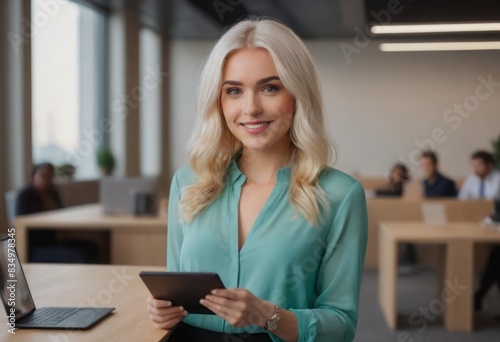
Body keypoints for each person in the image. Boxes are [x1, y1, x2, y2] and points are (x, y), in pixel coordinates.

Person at [147, 17, 368, 342]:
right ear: (219, 103)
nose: (250, 108)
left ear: (297, 94)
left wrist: (269, 316)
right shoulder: (188, 183)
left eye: (270, 88)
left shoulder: (339, 195)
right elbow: (174, 293)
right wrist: (162, 311)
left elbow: (340, 325)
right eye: (234, 91)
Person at [15, 163, 98, 263]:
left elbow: (61, 213)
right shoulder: (25, 195)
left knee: (91, 247)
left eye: (50, 176)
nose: (47, 179)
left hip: (54, 241)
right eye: (43, 176)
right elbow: (21, 223)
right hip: (36, 246)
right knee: (80, 254)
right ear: (33, 176)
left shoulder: (52, 192)